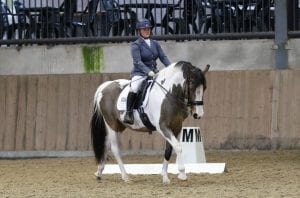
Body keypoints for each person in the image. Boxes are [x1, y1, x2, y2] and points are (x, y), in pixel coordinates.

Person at [124, 18, 171, 125]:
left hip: (155, 72)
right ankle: (128, 113)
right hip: (140, 73)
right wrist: (148, 71)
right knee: (135, 87)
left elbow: (163, 57)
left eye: (148, 29)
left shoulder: (155, 43)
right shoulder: (136, 45)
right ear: (139, 31)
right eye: (144, 29)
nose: (147, 30)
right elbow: (137, 62)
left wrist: (171, 67)